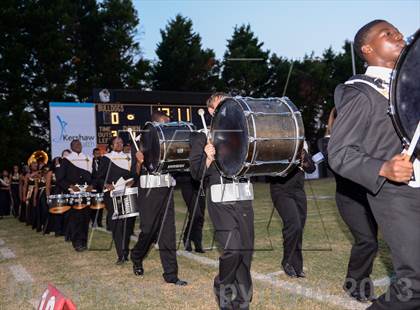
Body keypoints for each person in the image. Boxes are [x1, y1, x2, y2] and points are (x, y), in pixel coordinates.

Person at [328, 20, 420, 309]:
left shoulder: (410, 86)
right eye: (388, 34)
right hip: (396, 195)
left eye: (398, 31)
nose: (399, 36)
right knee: (413, 286)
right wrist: (384, 167)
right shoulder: (360, 91)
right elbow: (340, 152)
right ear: (368, 49)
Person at [189, 92, 254, 309]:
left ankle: (243, 299)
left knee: (245, 250)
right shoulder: (200, 136)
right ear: (210, 111)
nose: (226, 110)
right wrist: (207, 158)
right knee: (232, 249)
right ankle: (222, 285)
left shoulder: (242, 131)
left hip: (243, 197)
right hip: (220, 199)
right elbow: (196, 174)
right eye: (220, 106)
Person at [130, 111, 188, 286]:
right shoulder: (140, 140)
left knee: (167, 233)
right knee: (149, 231)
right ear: (156, 123)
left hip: (166, 189)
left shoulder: (170, 139)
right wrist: (139, 162)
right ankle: (137, 255)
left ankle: (171, 275)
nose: (168, 127)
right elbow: (134, 174)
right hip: (148, 192)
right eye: (165, 123)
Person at [269, 143, 315, 278]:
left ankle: (297, 266)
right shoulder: (279, 143)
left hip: (299, 191)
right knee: (293, 225)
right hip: (280, 190)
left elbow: (311, 168)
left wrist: (304, 160)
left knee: (299, 228)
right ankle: (287, 261)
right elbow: (271, 169)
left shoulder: (304, 144)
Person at [96, 137, 135, 264]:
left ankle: (125, 250)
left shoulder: (129, 157)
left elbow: (135, 173)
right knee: (117, 224)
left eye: (121, 142)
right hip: (112, 194)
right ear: (111, 146)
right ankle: (121, 254)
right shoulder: (106, 158)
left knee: (127, 224)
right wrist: (106, 184)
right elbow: (99, 177)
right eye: (117, 143)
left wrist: (133, 180)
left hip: (127, 191)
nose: (119, 144)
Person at [56, 140, 93, 252]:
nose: (79, 146)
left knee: (85, 218)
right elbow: (60, 178)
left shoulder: (88, 158)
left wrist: (92, 185)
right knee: (75, 218)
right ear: (71, 147)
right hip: (73, 193)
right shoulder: (67, 160)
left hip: (86, 192)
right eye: (76, 145)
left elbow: (94, 176)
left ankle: (84, 241)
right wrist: (70, 186)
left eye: (80, 144)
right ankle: (77, 242)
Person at [176, 172, 205, 253]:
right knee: (196, 214)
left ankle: (197, 241)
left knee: (201, 215)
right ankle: (187, 237)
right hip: (186, 182)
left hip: (201, 183)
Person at [91, 147, 103, 228]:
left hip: (101, 186)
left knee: (101, 205)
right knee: (93, 204)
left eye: (99, 154)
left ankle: (99, 222)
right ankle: (93, 221)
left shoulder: (103, 162)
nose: (98, 155)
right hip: (93, 186)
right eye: (96, 154)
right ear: (93, 154)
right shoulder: (90, 161)